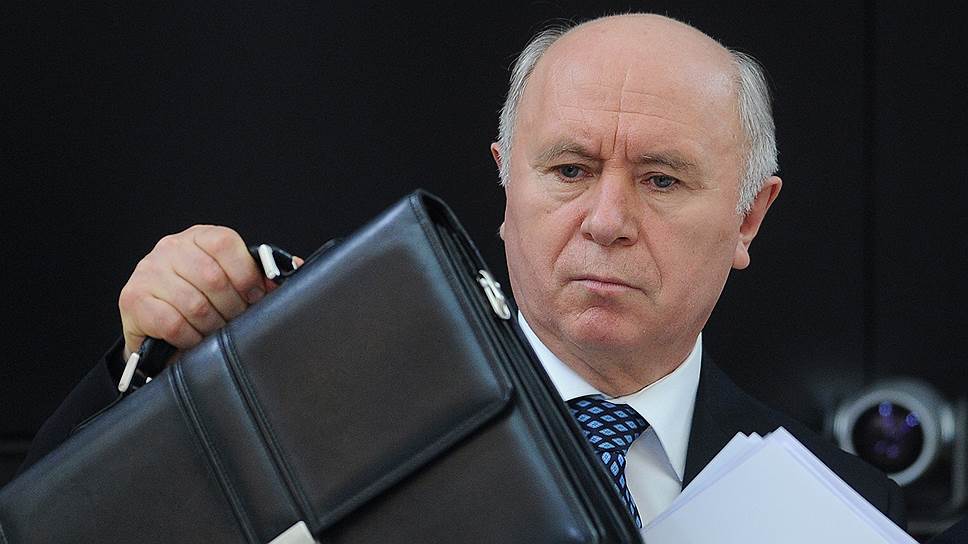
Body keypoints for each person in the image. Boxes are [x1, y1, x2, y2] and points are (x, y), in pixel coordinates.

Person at [21, 13, 906, 531]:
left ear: (749, 217)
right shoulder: (320, 409)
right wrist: (155, 374)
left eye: (662, 180)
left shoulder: (845, 516)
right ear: (505, 183)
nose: (606, 221)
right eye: (569, 170)